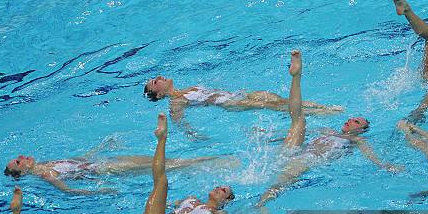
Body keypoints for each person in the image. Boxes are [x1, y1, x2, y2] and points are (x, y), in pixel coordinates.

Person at [85, 113, 235, 214]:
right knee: (159, 183)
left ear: (226, 200)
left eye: (223, 190)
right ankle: (161, 139)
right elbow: (169, 204)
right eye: (219, 186)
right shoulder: (192, 198)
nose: (218, 188)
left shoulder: (218, 212)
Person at [257, 50, 402, 206]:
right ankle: (296, 76)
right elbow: (297, 135)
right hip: (292, 151)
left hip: (306, 160)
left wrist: (383, 165)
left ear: (361, 130)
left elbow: (369, 154)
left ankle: (258, 206)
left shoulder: (356, 140)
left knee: (278, 185)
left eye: (356, 122)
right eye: (352, 118)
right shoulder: (328, 131)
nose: (350, 120)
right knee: (299, 122)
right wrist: (270, 137)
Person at [143, 73, 343, 138]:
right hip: (229, 103)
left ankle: (323, 107)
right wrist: (196, 136)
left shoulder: (188, 87)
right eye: (155, 82)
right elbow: (179, 123)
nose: (159, 77)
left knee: (279, 99)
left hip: (234, 95)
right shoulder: (176, 101)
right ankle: (321, 114)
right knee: (273, 106)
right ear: (159, 94)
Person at [4, 144, 221, 195]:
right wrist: (100, 191)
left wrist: (102, 146)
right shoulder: (46, 173)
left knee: (165, 159)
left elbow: (78, 160)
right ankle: (209, 162)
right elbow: (68, 191)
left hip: (107, 160)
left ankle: (203, 161)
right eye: (18, 162)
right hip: (107, 169)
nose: (21, 157)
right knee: (162, 164)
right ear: (22, 172)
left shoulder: (49, 163)